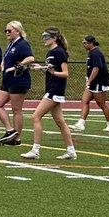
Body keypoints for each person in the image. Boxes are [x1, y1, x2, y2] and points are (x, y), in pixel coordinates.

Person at [21, 28, 77, 161]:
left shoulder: (59, 52)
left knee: (35, 117)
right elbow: (51, 70)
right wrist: (41, 68)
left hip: (55, 89)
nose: (44, 39)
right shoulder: (50, 53)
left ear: (54, 38)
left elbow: (65, 73)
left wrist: (52, 73)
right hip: (51, 88)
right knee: (60, 121)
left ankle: (35, 150)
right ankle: (71, 151)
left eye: (46, 37)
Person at [0, 20, 34, 146]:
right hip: (7, 80)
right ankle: (10, 130)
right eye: (6, 31)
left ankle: (17, 139)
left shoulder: (23, 44)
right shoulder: (11, 44)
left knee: (16, 110)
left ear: (17, 31)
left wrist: (19, 65)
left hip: (18, 80)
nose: (7, 33)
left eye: (9, 30)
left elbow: (30, 58)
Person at [72, 35, 109, 133]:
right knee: (84, 100)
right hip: (92, 83)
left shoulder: (96, 53)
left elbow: (96, 68)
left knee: (101, 104)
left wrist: (89, 80)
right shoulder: (91, 53)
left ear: (91, 43)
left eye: (85, 43)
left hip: (99, 82)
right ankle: (81, 123)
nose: (84, 45)